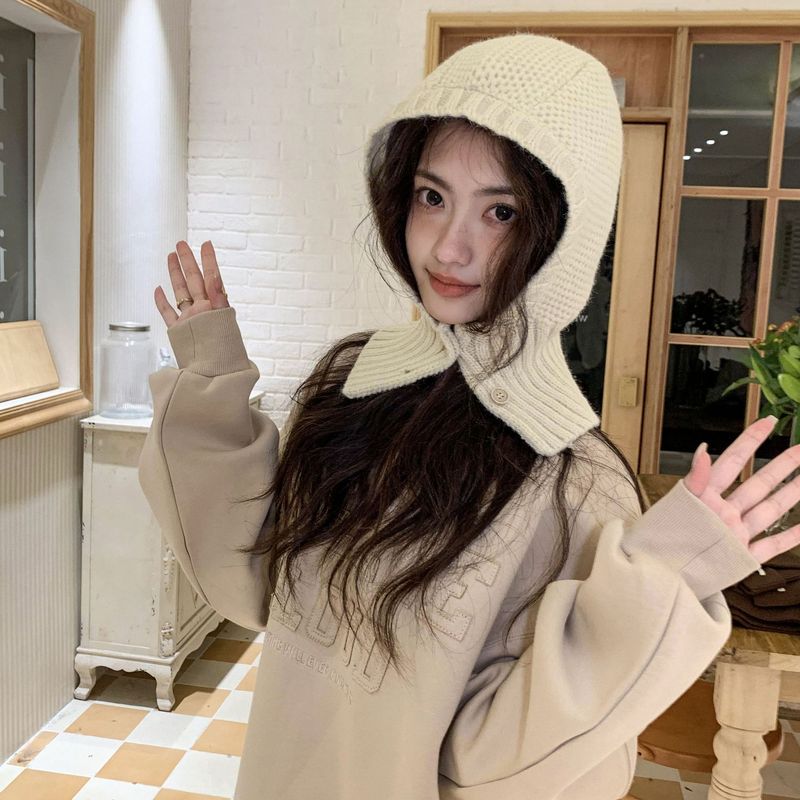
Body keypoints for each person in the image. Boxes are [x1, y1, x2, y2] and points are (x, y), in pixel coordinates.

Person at [138, 34, 800, 800]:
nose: (449, 248)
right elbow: (256, 583)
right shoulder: (353, 384)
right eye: (432, 196)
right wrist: (213, 376)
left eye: (501, 211)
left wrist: (659, 584)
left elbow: (499, 765)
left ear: (562, 234)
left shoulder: (574, 481)